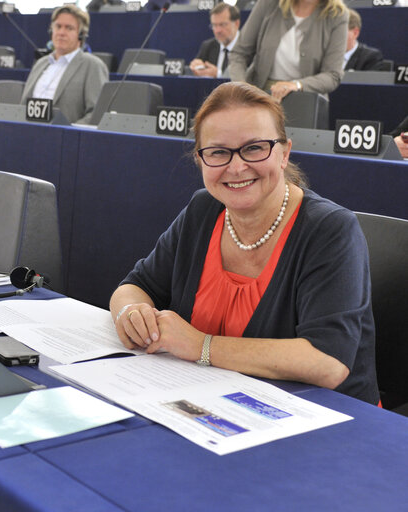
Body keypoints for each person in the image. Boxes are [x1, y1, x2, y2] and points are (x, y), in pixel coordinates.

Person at [110, 81, 378, 405]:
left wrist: (201, 345)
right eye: (219, 152)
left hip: (328, 423)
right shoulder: (202, 210)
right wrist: (131, 312)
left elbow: (327, 363)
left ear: (284, 153)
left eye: (254, 148)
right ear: (200, 160)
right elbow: (135, 285)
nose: (236, 167)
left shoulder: (331, 230)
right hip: (216, 404)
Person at [228, 0, 348, 101]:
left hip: (305, 99)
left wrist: (297, 85)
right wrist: (241, 87)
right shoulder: (269, 4)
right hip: (258, 95)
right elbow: (239, 53)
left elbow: (333, 75)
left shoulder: (337, 15)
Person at [20, 5, 108, 125]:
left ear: (81, 35)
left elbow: (96, 114)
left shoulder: (93, 66)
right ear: (51, 30)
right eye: (58, 26)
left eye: (69, 28)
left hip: (65, 139)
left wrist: (69, 132)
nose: (61, 32)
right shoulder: (40, 64)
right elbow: (23, 107)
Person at [189, 3, 241, 79]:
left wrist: (218, 74)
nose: (217, 30)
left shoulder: (249, 47)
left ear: (236, 23)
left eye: (222, 25)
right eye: (214, 25)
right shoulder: (208, 46)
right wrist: (196, 68)